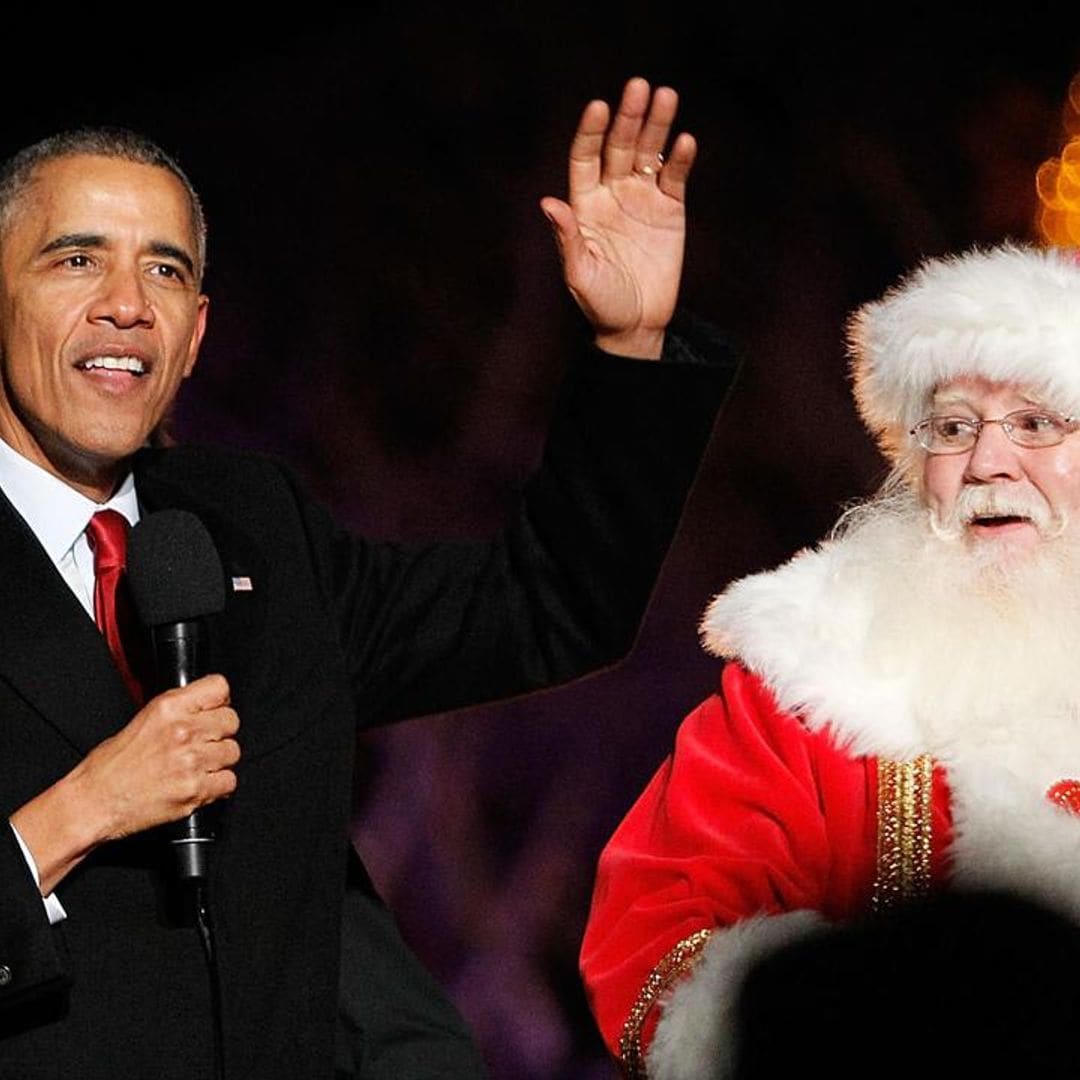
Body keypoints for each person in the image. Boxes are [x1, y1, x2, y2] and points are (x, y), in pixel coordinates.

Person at [0, 78, 738, 1078]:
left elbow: (548, 605)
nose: (127, 305)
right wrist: (79, 811)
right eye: (78, 259)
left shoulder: (254, 528)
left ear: (197, 336)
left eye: (165, 272)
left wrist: (629, 347)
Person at [579, 239, 1080, 1079]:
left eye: (1035, 422)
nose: (988, 463)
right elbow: (655, 940)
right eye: (953, 426)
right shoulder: (811, 685)